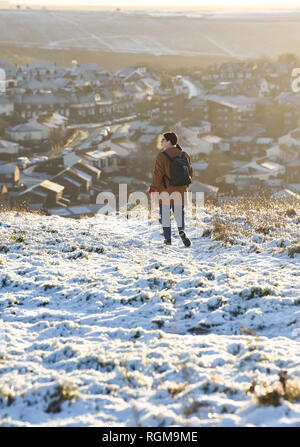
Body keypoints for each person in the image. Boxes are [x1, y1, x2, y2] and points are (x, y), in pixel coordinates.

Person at [148, 131, 193, 246]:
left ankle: (168, 239)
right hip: (181, 189)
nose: (161, 142)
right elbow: (190, 172)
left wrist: (153, 189)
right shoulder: (184, 154)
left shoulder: (162, 156)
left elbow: (157, 174)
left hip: (165, 191)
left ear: (169, 141)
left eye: (163, 140)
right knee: (179, 213)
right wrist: (185, 187)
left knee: (165, 215)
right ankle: (181, 231)